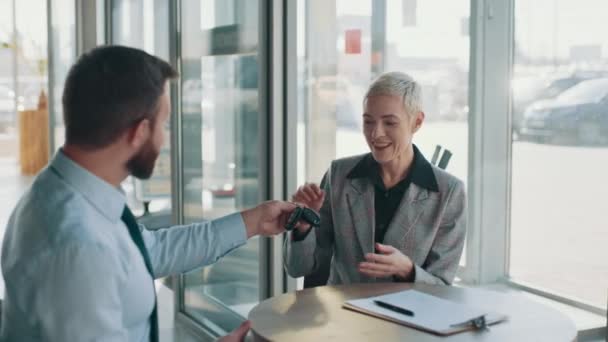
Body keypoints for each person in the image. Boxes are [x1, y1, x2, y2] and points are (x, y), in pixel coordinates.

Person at [0, 46, 296, 341]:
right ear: (139, 132)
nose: (166, 137)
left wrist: (252, 221)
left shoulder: (61, 194)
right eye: (164, 123)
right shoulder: (80, 247)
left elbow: (148, 251)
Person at [284, 72, 466, 286]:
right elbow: (298, 268)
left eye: (389, 123)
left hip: (405, 316)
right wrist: (303, 227)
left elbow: (442, 287)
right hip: (344, 314)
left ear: (416, 122)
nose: (376, 134)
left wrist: (407, 270)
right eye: (368, 121)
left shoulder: (449, 192)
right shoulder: (339, 175)